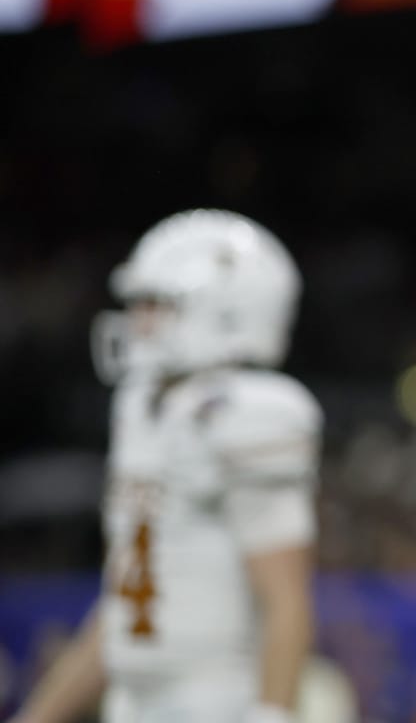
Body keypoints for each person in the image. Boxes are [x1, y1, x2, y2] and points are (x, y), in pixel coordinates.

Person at [9, 210, 322, 723]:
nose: (137, 320)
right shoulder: (144, 410)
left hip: (217, 702)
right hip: (135, 704)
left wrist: (271, 715)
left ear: (228, 311)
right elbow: (126, 609)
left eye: (155, 303)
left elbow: (286, 602)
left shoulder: (251, 414)